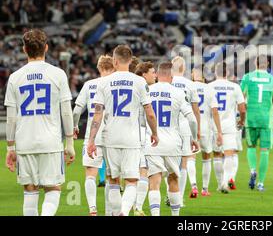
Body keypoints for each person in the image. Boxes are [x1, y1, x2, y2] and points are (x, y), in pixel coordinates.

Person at [4, 29, 76, 216]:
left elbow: (11, 118)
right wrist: (69, 143)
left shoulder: (15, 77)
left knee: (30, 190)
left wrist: (10, 148)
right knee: (53, 189)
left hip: (25, 142)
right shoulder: (58, 74)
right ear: (46, 47)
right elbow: (66, 112)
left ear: (24, 49)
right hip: (50, 142)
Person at [86, 45, 158, 216]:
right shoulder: (139, 81)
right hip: (131, 138)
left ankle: (117, 212)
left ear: (115, 61)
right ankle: (124, 212)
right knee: (132, 181)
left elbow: (97, 113)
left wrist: (91, 140)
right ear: (131, 60)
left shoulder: (103, 82)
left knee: (112, 180)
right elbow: (150, 113)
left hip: (110, 137)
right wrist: (155, 132)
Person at [145, 62, 200, 216]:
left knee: (154, 182)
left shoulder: (148, 90)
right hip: (172, 143)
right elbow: (192, 119)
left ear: (157, 74)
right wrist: (194, 138)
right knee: (173, 179)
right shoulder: (177, 93)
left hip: (152, 142)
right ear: (171, 76)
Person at [73, 55, 115, 216]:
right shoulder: (115, 85)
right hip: (114, 134)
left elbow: (77, 110)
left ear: (98, 68)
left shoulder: (89, 85)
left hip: (93, 134)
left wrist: (75, 125)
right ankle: (110, 211)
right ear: (114, 66)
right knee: (113, 177)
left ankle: (92, 209)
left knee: (90, 173)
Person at [240, 55, 273, 192]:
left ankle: (252, 170)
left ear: (254, 63)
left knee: (251, 147)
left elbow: (241, 97)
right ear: (267, 64)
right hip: (266, 120)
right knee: (264, 151)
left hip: (250, 118)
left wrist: (240, 116)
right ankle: (261, 183)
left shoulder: (247, 77)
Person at [209, 62, 246, 193]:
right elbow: (242, 109)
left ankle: (220, 184)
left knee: (217, 155)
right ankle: (226, 182)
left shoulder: (209, 87)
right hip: (230, 125)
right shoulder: (234, 87)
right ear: (228, 73)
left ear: (215, 73)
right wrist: (241, 121)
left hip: (213, 125)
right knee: (229, 154)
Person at [171, 56, 201, 204]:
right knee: (184, 162)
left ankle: (171, 195)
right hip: (185, 127)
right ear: (184, 69)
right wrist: (198, 131)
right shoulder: (190, 84)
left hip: (167, 126)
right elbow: (196, 111)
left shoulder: (166, 82)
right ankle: (179, 198)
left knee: (168, 162)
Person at [192, 68, 223, 196]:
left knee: (189, 158)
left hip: (191, 127)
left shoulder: (188, 86)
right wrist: (219, 132)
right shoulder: (209, 89)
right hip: (205, 128)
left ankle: (193, 185)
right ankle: (204, 189)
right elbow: (215, 111)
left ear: (193, 76)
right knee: (206, 157)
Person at [132, 62, 157, 216]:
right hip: (140, 133)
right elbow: (149, 113)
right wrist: (155, 132)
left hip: (126, 132)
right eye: (152, 72)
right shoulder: (143, 86)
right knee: (144, 170)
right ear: (144, 74)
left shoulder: (133, 85)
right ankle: (137, 207)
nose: (155, 75)